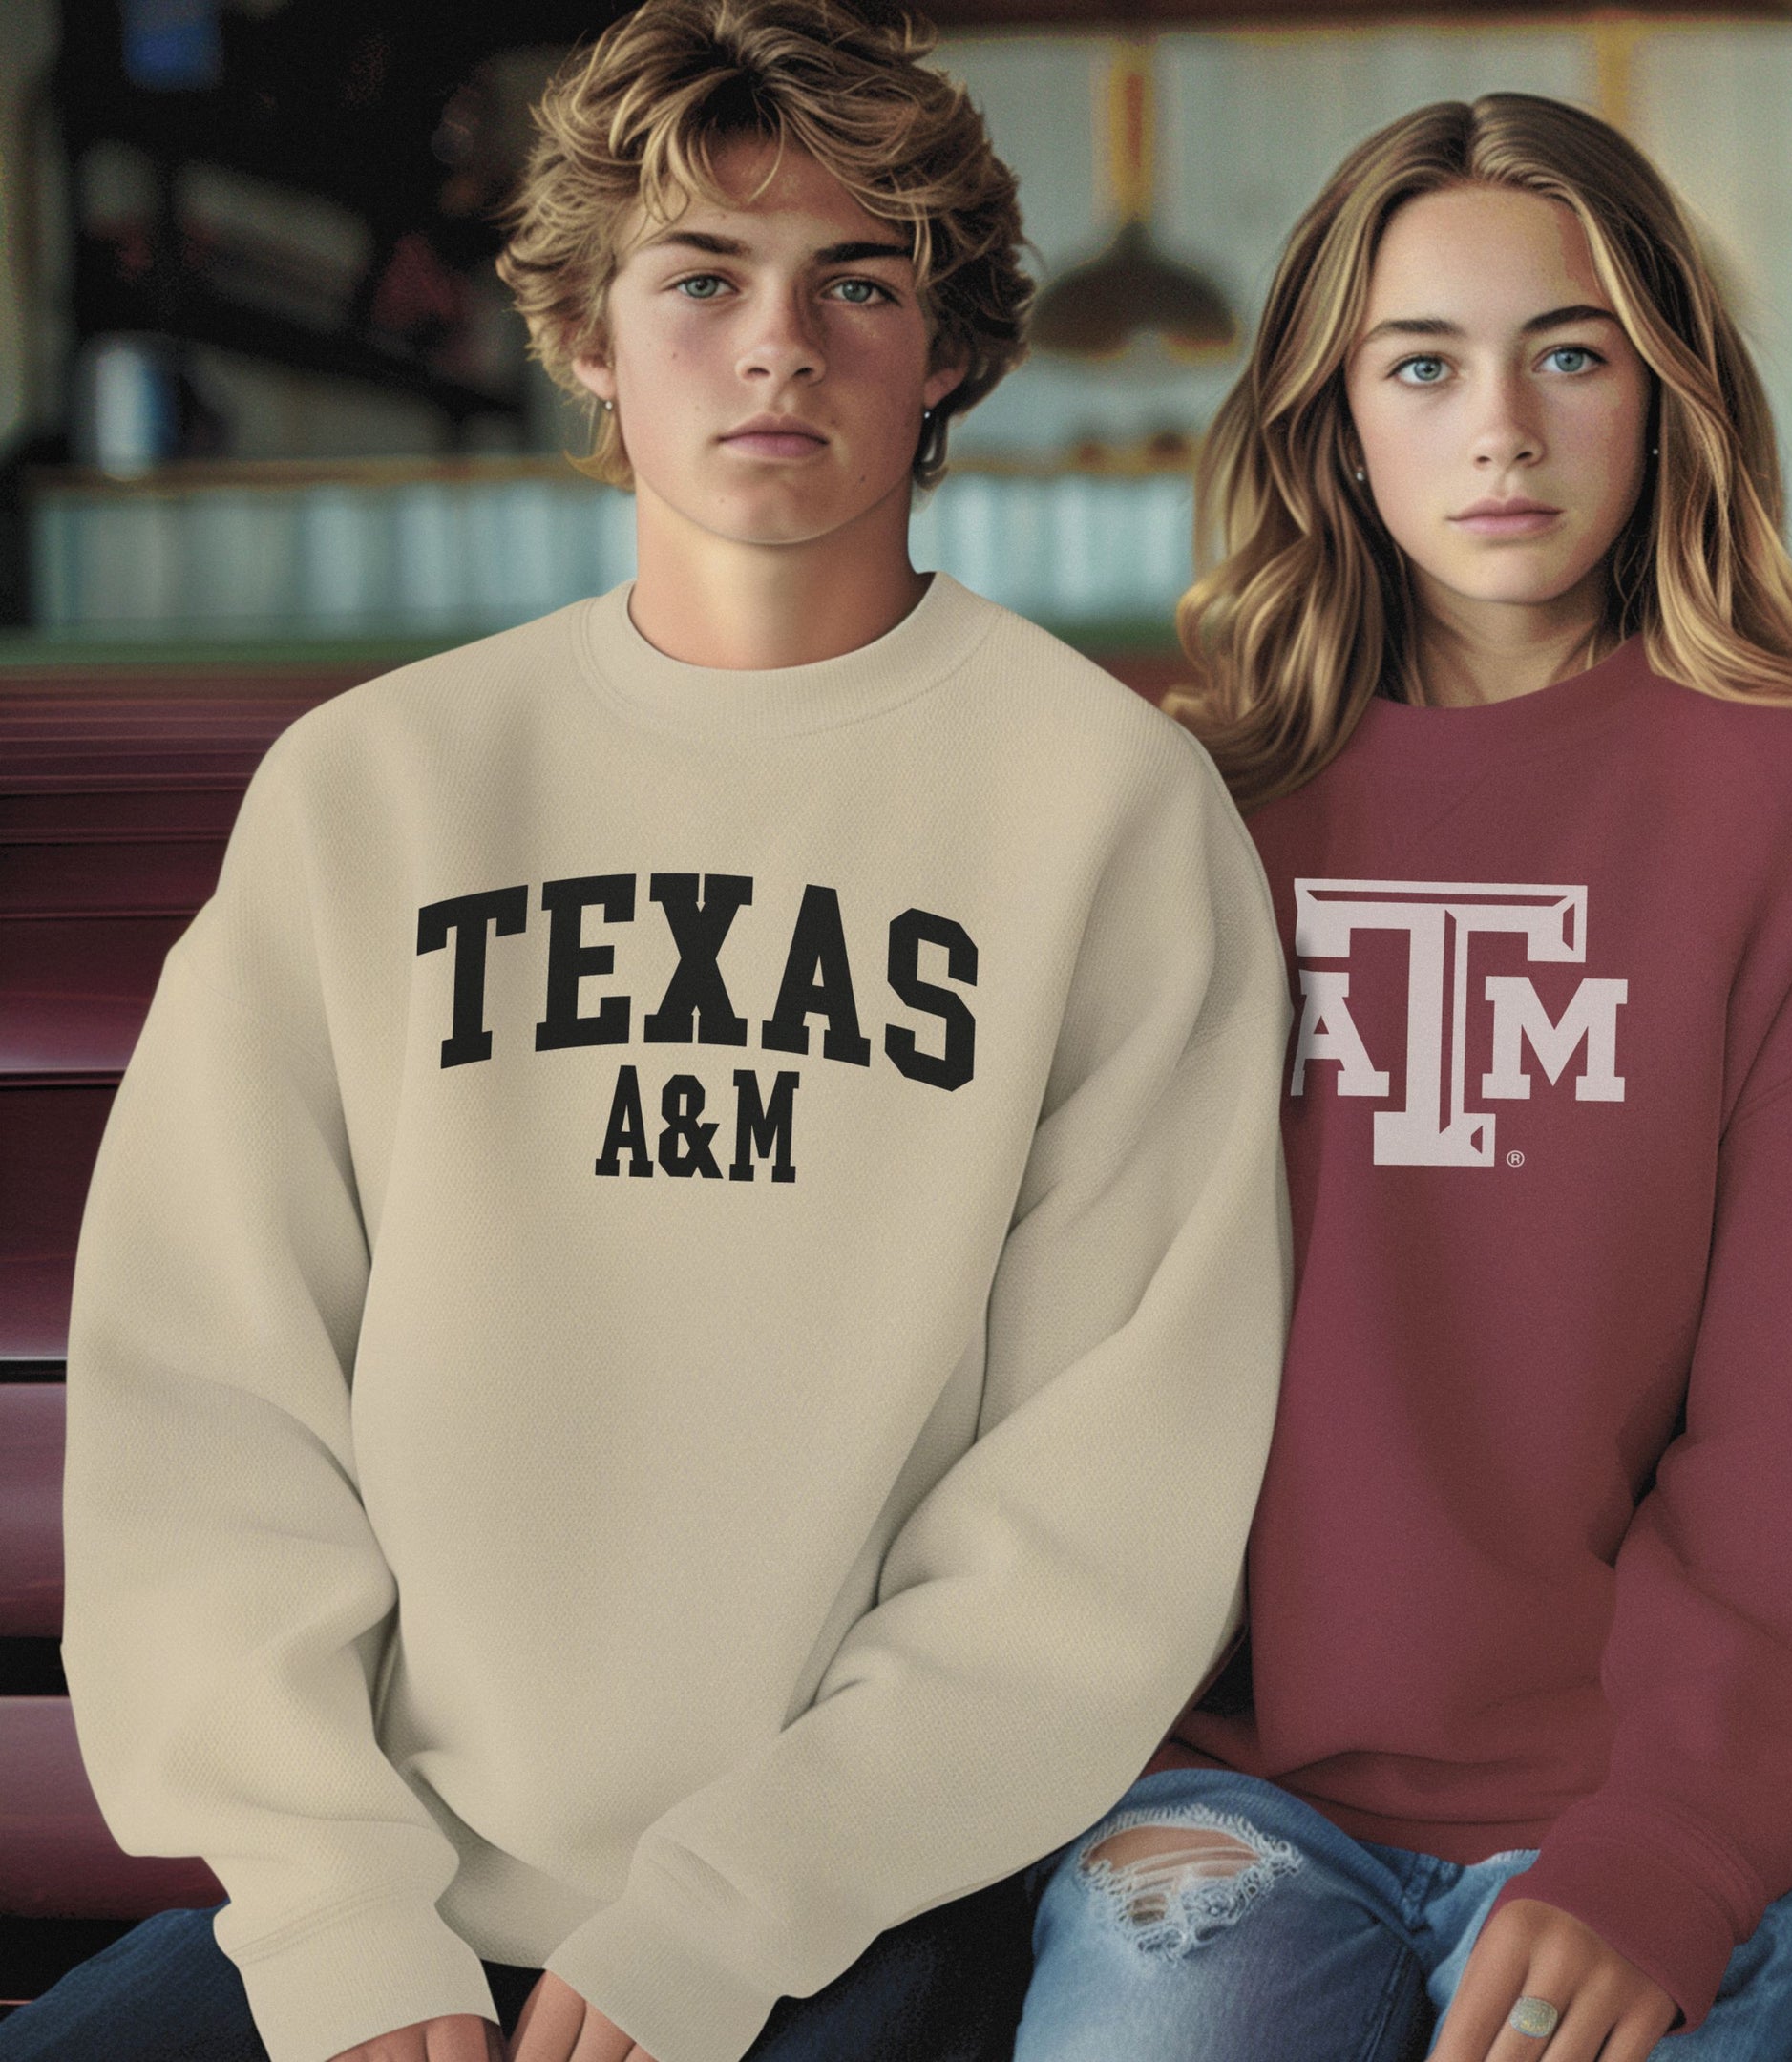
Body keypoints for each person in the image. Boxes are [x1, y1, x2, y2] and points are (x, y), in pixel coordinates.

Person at [15, 5, 1295, 2059]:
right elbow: (209, 1411)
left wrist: (728, 1909)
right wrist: (344, 1922)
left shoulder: (1106, 812)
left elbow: (1101, 1508)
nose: (778, 341)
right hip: (388, 1910)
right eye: (701, 279)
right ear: (591, 338)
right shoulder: (376, 792)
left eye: (854, 283)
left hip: (865, 1906)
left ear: (948, 346)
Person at [1009, 95, 1792, 2062]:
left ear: (1667, 393)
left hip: (1639, 1799)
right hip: (1224, 1788)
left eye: (1570, 354)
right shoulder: (1195, 813)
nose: (1501, 427)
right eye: (1422, 364)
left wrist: (1672, 1840)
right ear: (1331, 419)